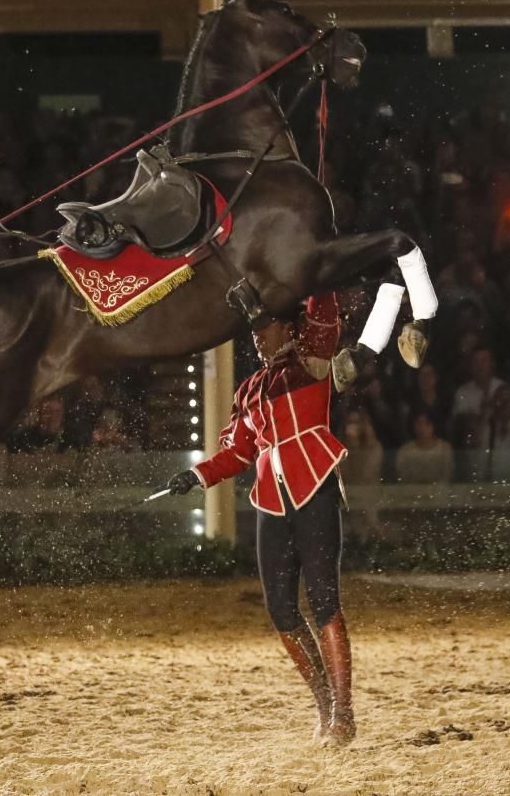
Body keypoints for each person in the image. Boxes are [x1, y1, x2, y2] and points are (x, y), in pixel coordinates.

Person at [165, 294, 355, 745]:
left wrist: (307, 273)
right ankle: (324, 705)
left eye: (264, 327)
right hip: (272, 500)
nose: (256, 336)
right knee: (282, 610)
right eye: (253, 330)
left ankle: (344, 713)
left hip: (315, 486)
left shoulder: (311, 361)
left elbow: (324, 312)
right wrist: (196, 476)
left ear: (289, 329)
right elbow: (238, 453)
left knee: (324, 599)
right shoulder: (249, 389)